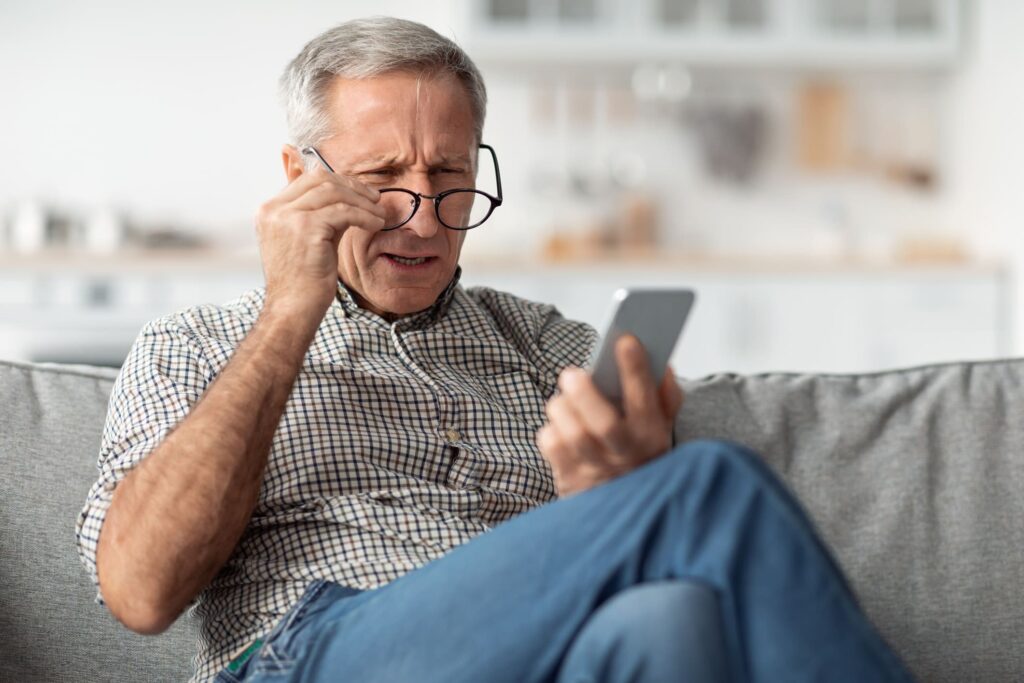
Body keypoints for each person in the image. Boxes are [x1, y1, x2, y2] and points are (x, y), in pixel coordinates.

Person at [76, 17, 913, 683]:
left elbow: (611, 546)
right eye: (381, 178)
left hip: (536, 651)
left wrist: (615, 489)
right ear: (300, 175)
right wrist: (292, 310)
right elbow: (142, 591)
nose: (423, 215)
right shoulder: (195, 344)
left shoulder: (546, 343)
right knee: (713, 485)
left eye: (451, 176)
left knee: (672, 621)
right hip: (316, 651)